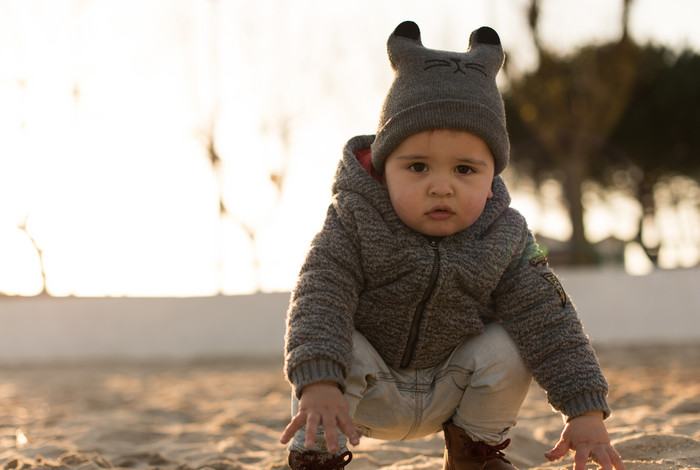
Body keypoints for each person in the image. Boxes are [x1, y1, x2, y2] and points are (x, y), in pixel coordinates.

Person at [280, 21, 626, 470]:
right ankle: (317, 454)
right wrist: (318, 383)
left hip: (451, 391)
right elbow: (318, 296)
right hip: (361, 396)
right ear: (386, 169)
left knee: (510, 342)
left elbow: (550, 318)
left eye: (465, 170)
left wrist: (586, 409)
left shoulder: (507, 236)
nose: (441, 187)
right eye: (418, 166)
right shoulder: (353, 221)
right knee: (336, 337)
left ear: (491, 176)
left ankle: (473, 452)